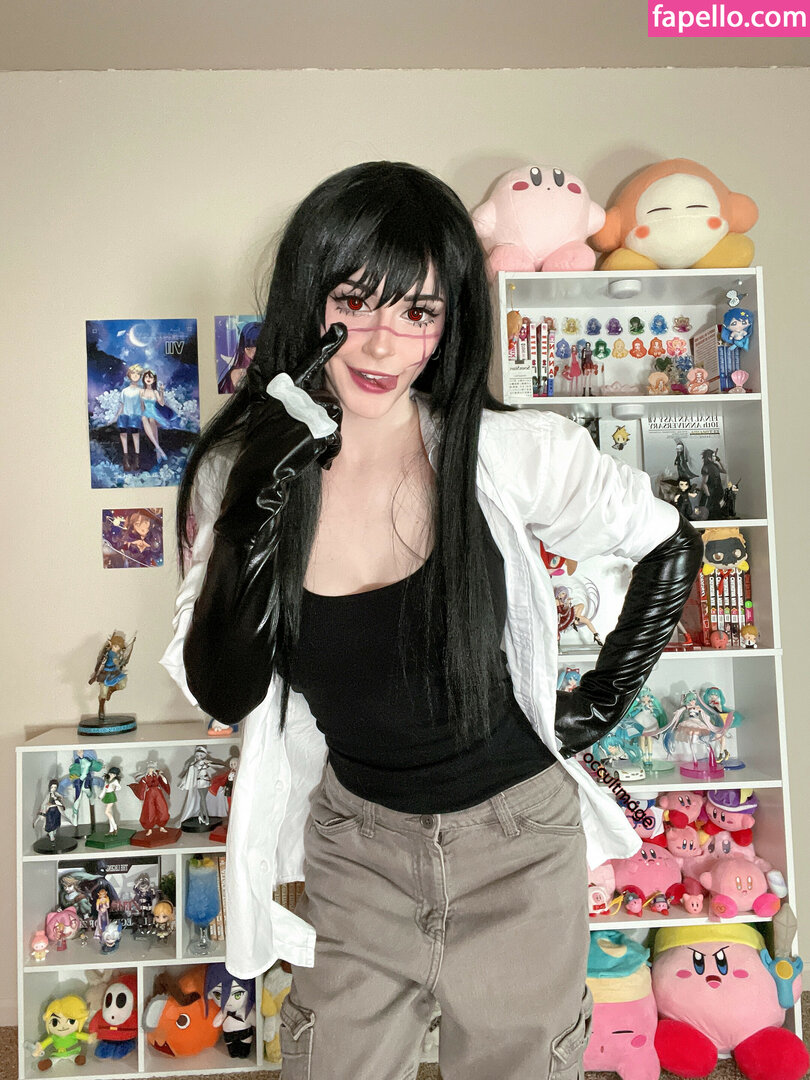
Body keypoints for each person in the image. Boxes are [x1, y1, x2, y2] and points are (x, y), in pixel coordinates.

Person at [161, 161, 702, 1080]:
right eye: (354, 302)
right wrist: (254, 504)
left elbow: (667, 543)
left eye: (418, 311)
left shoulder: (504, 452)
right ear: (307, 300)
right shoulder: (239, 473)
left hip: (518, 849)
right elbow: (225, 689)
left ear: (449, 323)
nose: (383, 344)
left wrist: (599, 701)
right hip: (358, 851)